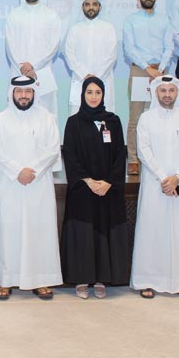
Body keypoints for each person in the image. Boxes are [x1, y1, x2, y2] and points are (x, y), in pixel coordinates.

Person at [130, 76, 179, 298]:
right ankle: (148, 280)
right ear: (155, 93)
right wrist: (165, 178)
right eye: (162, 90)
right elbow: (143, 151)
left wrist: (178, 176)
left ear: (178, 93)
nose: (166, 94)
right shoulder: (146, 118)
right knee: (152, 232)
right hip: (155, 184)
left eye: (171, 90)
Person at [0, 76, 62, 300]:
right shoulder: (0, 119)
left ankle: (40, 279)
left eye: (28, 92)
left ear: (34, 94)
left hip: (38, 183)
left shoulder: (47, 118)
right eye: (19, 92)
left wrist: (34, 171)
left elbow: (52, 149)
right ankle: (5, 279)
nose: (23, 96)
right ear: (12, 93)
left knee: (39, 230)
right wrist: (17, 171)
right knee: (8, 230)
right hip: (11, 184)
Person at [60, 77, 130, 299]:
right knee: (83, 234)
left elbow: (120, 153)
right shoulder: (73, 122)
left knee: (104, 233)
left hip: (107, 189)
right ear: (82, 95)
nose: (93, 96)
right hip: (83, 190)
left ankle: (101, 279)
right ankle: (82, 278)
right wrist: (87, 181)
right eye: (89, 92)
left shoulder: (114, 121)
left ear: (103, 95)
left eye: (97, 92)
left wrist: (109, 182)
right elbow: (69, 154)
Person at [122, 0, 174, 175]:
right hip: (139, 70)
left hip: (161, 71)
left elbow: (169, 47)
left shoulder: (164, 20)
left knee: (163, 115)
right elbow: (129, 49)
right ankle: (133, 159)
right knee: (135, 117)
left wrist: (159, 69)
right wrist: (147, 68)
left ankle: (159, 157)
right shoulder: (131, 20)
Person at [5, 0, 63, 116]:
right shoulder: (14, 15)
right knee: (16, 110)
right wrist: (23, 66)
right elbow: (10, 44)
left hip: (43, 72)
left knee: (46, 113)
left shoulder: (51, 15)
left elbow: (54, 44)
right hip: (18, 70)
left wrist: (34, 66)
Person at [63, 0, 117, 115]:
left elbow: (112, 55)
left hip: (104, 78)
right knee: (77, 116)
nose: (91, 7)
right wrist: (85, 74)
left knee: (104, 117)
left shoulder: (108, 28)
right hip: (80, 78)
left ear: (100, 7)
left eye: (94, 4)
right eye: (87, 4)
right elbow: (69, 53)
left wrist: (96, 76)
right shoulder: (75, 29)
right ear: (82, 8)